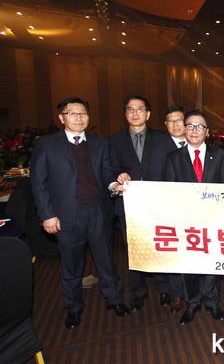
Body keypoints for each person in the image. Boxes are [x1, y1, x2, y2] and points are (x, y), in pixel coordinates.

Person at [30, 97, 129, 330]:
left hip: (98, 213)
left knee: (106, 261)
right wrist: (47, 215)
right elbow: (38, 182)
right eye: (72, 113)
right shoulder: (47, 144)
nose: (79, 117)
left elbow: (107, 174)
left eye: (83, 113)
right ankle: (74, 308)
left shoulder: (98, 143)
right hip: (65, 216)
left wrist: (115, 185)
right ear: (61, 117)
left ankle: (114, 299)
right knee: (71, 266)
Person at [109, 95, 176, 312]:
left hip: (158, 205)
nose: (135, 113)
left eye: (140, 109)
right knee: (133, 249)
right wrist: (118, 176)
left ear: (148, 114)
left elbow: (172, 168)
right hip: (129, 205)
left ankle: (164, 288)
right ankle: (138, 292)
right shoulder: (114, 141)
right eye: (130, 109)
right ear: (125, 114)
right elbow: (109, 168)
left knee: (160, 245)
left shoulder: (163, 139)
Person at [163, 109, 224, 325]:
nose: (194, 130)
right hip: (186, 221)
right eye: (189, 125)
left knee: (212, 263)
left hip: (213, 219)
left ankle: (212, 302)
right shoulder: (173, 158)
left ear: (207, 131)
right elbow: (169, 191)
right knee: (189, 264)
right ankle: (192, 303)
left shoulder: (220, 155)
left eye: (199, 126)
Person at [161, 104, 188, 313]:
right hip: (168, 208)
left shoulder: (200, 142)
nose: (175, 124)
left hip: (197, 209)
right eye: (171, 121)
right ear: (165, 125)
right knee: (172, 251)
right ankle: (176, 292)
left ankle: (195, 290)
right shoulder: (157, 149)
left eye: (179, 120)